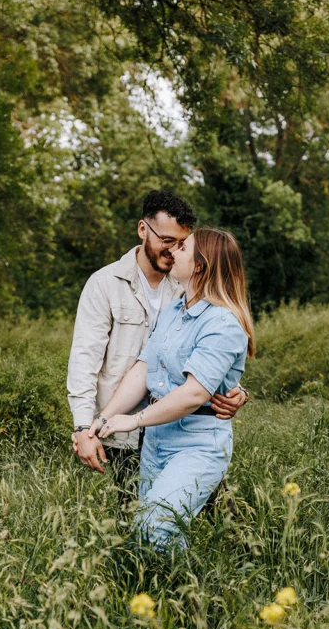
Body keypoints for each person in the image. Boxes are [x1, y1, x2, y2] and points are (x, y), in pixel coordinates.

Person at [89, 227, 255, 550]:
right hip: (157, 442)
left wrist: (134, 421)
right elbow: (144, 369)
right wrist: (106, 417)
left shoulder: (223, 324)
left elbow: (195, 393)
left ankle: (207, 596)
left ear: (199, 266)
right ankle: (170, 597)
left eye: (183, 248)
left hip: (197, 444)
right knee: (152, 539)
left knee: (154, 527)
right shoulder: (174, 310)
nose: (174, 251)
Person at [67, 190, 248, 484]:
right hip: (122, 433)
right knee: (133, 516)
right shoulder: (104, 285)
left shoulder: (187, 285)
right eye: (167, 241)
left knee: (212, 516)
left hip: (183, 429)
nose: (174, 251)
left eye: (181, 243)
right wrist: (84, 427)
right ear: (142, 229)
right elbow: (84, 362)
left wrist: (237, 391)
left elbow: (213, 348)